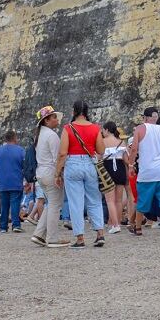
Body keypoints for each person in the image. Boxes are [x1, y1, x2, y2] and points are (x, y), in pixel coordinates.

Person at [55, 100, 106, 249]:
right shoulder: (95, 128)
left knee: (76, 202)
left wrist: (57, 173)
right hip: (89, 163)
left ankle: (80, 238)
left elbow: (63, 153)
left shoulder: (68, 128)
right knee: (95, 200)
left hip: (73, 164)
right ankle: (100, 234)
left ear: (74, 111)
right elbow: (101, 150)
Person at [128, 107, 160, 237]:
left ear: (145, 117)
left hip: (146, 171)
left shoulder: (140, 129)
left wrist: (131, 165)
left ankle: (138, 227)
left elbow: (134, 149)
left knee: (142, 200)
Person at [0, 130, 26, 233]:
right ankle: (15, 225)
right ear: (14, 138)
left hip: (2, 182)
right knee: (15, 204)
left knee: (4, 205)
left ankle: (3, 227)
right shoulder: (20, 150)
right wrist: (27, 179)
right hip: (16, 181)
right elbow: (25, 166)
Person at [101, 121, 127, 234]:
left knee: (109, 200)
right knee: (118, 200)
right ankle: (117, 222)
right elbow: (126, 159)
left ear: (106, 130)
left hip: (107, 169)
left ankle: (114, 225)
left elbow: (98, 157)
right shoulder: (121, 142)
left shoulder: (102, 142)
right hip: (120, 169)